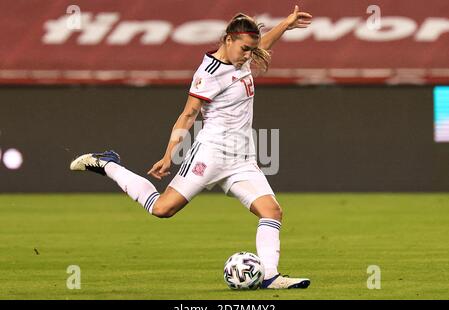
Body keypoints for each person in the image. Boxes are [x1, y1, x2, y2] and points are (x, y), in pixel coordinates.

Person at [70, 5, 313, 289]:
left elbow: (263, 44)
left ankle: (269, 276)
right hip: (209, 154)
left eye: (251, 50)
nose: (249, 55)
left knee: (272, 212)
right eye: (245, 48)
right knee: (162, 209)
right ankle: (107, 163)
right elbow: (188, 114)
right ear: (228, 40)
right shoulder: (208, 73)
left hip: (243, 159)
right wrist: (169, 154)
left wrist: (286, 23)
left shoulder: (241, 59)